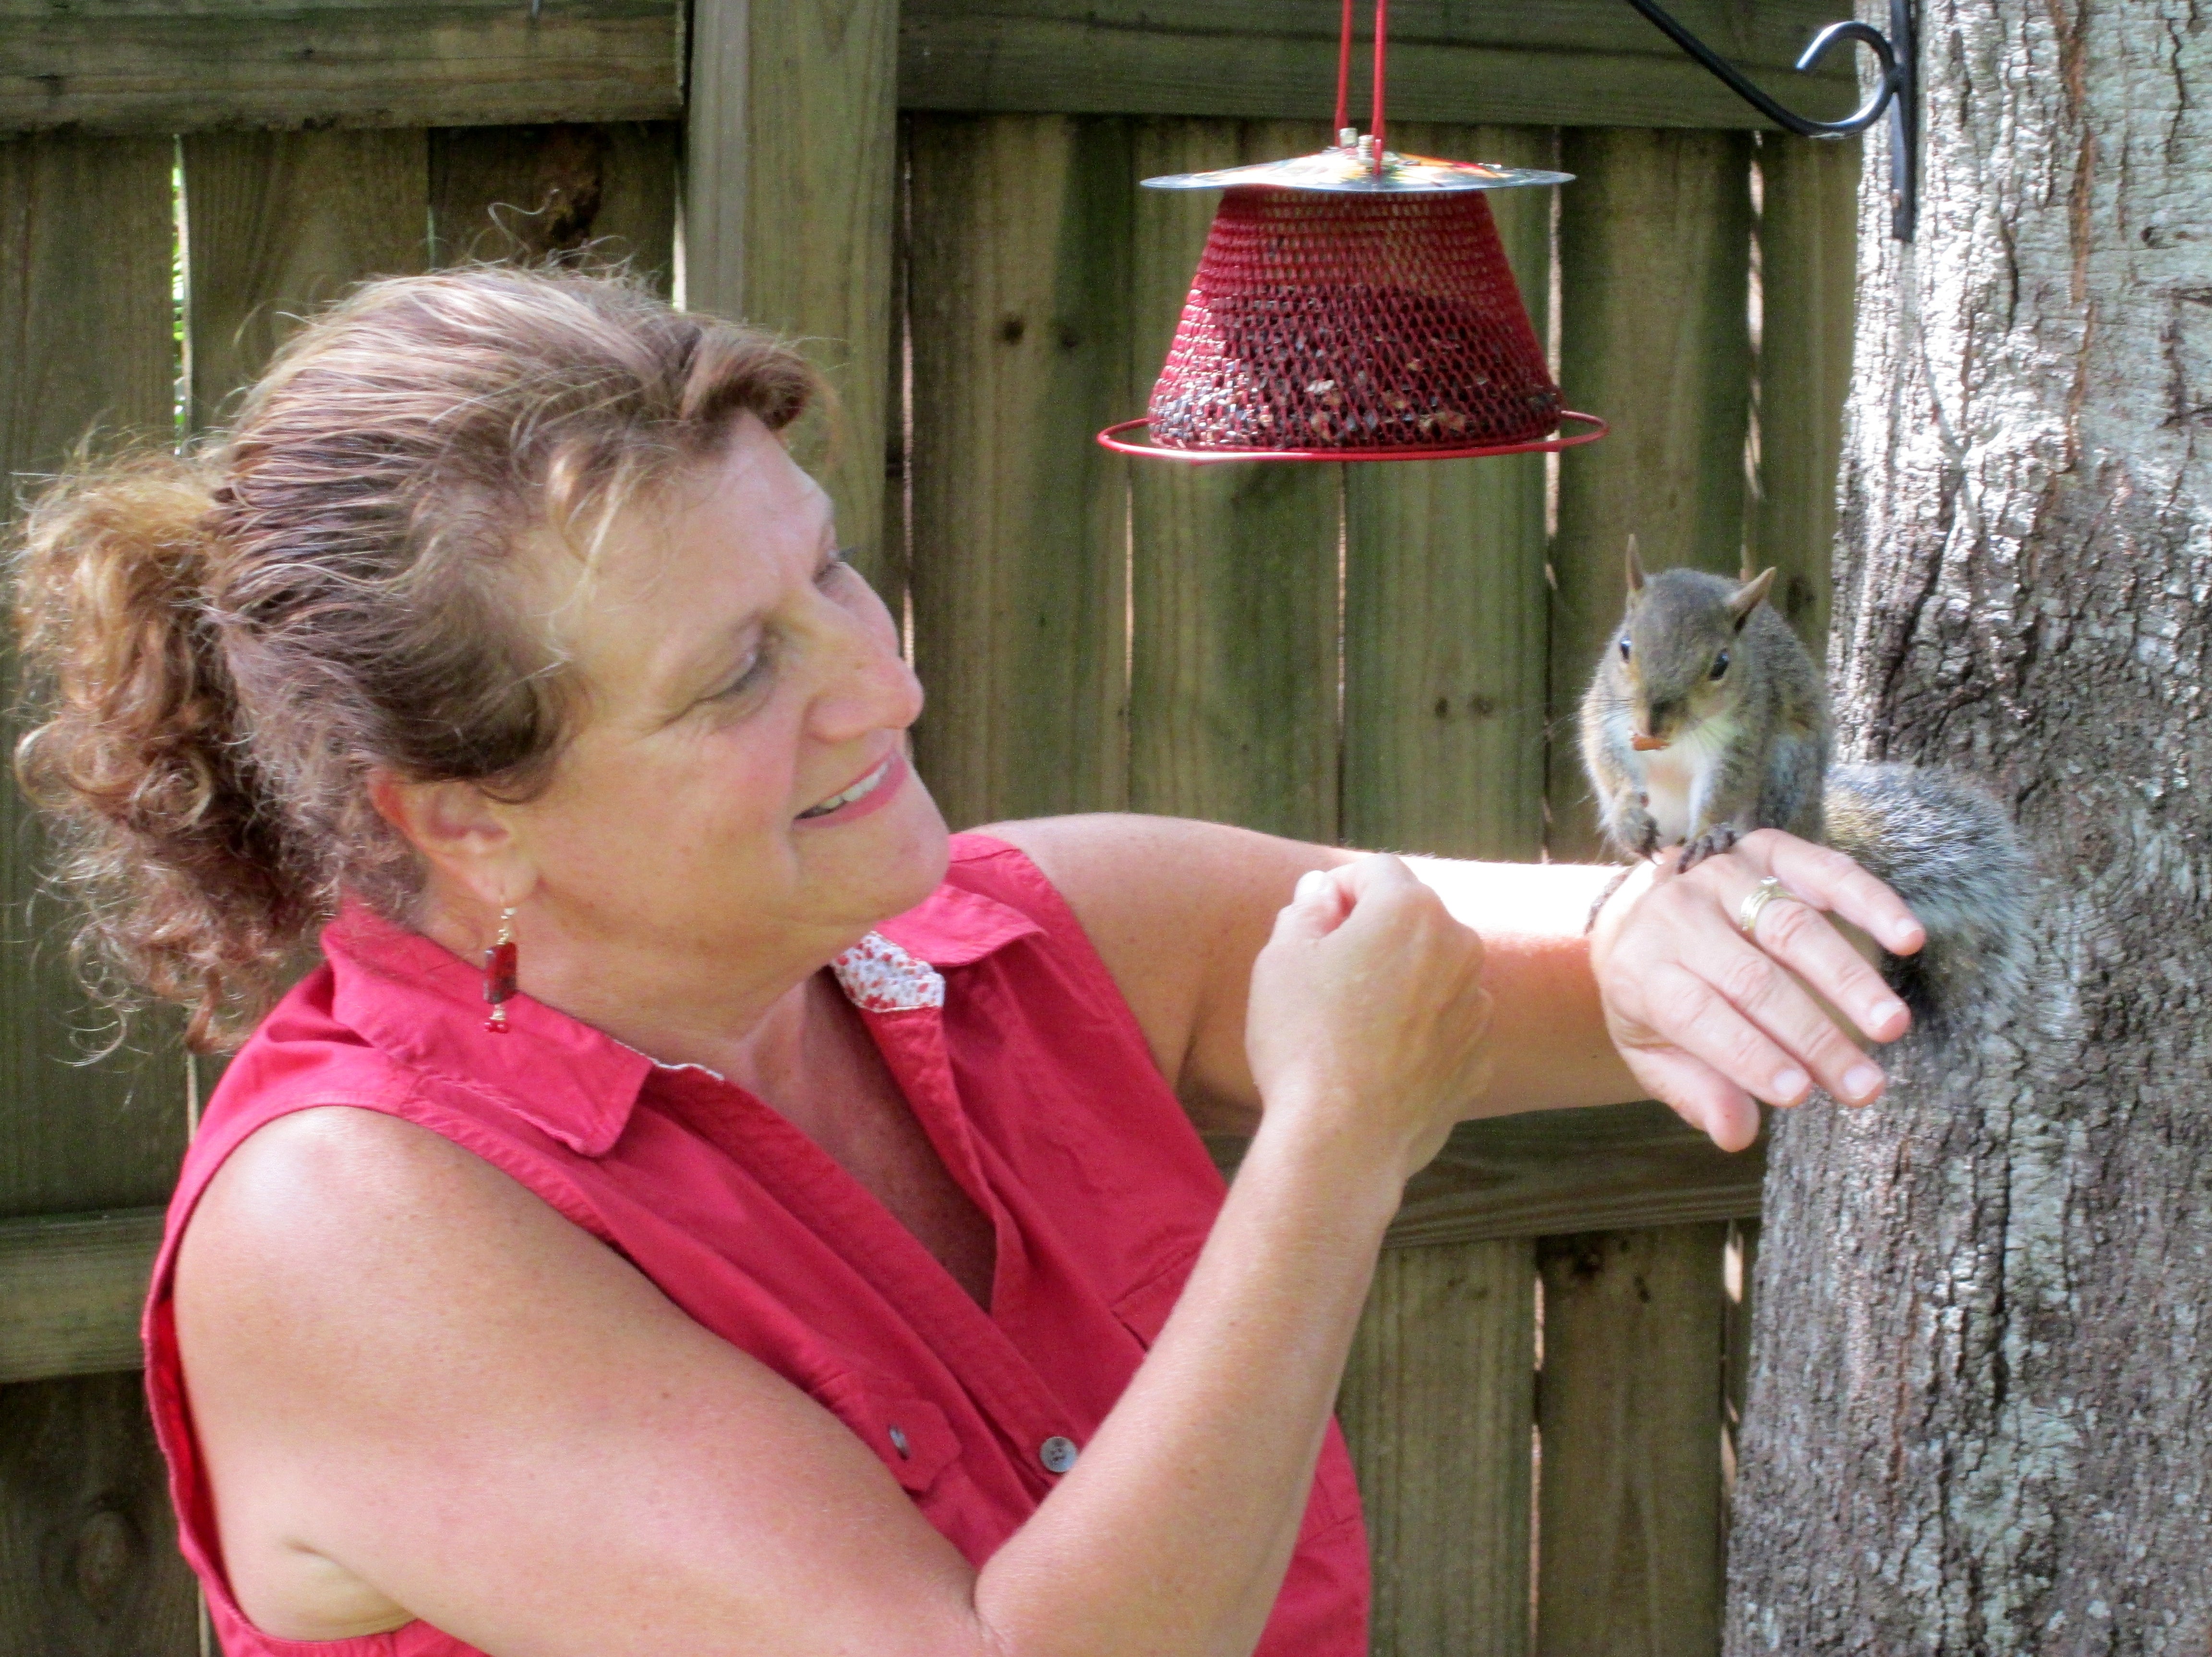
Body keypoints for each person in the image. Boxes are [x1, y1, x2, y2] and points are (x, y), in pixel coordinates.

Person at [10, 267, 1922, 1657]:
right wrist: (1335, 1147)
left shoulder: (1027, 939)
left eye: (826, 572)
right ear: (463, 820)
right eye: (741, 672)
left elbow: (1610, 952)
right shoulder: (354, 1226)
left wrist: (1713, 920)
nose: (885, 680)